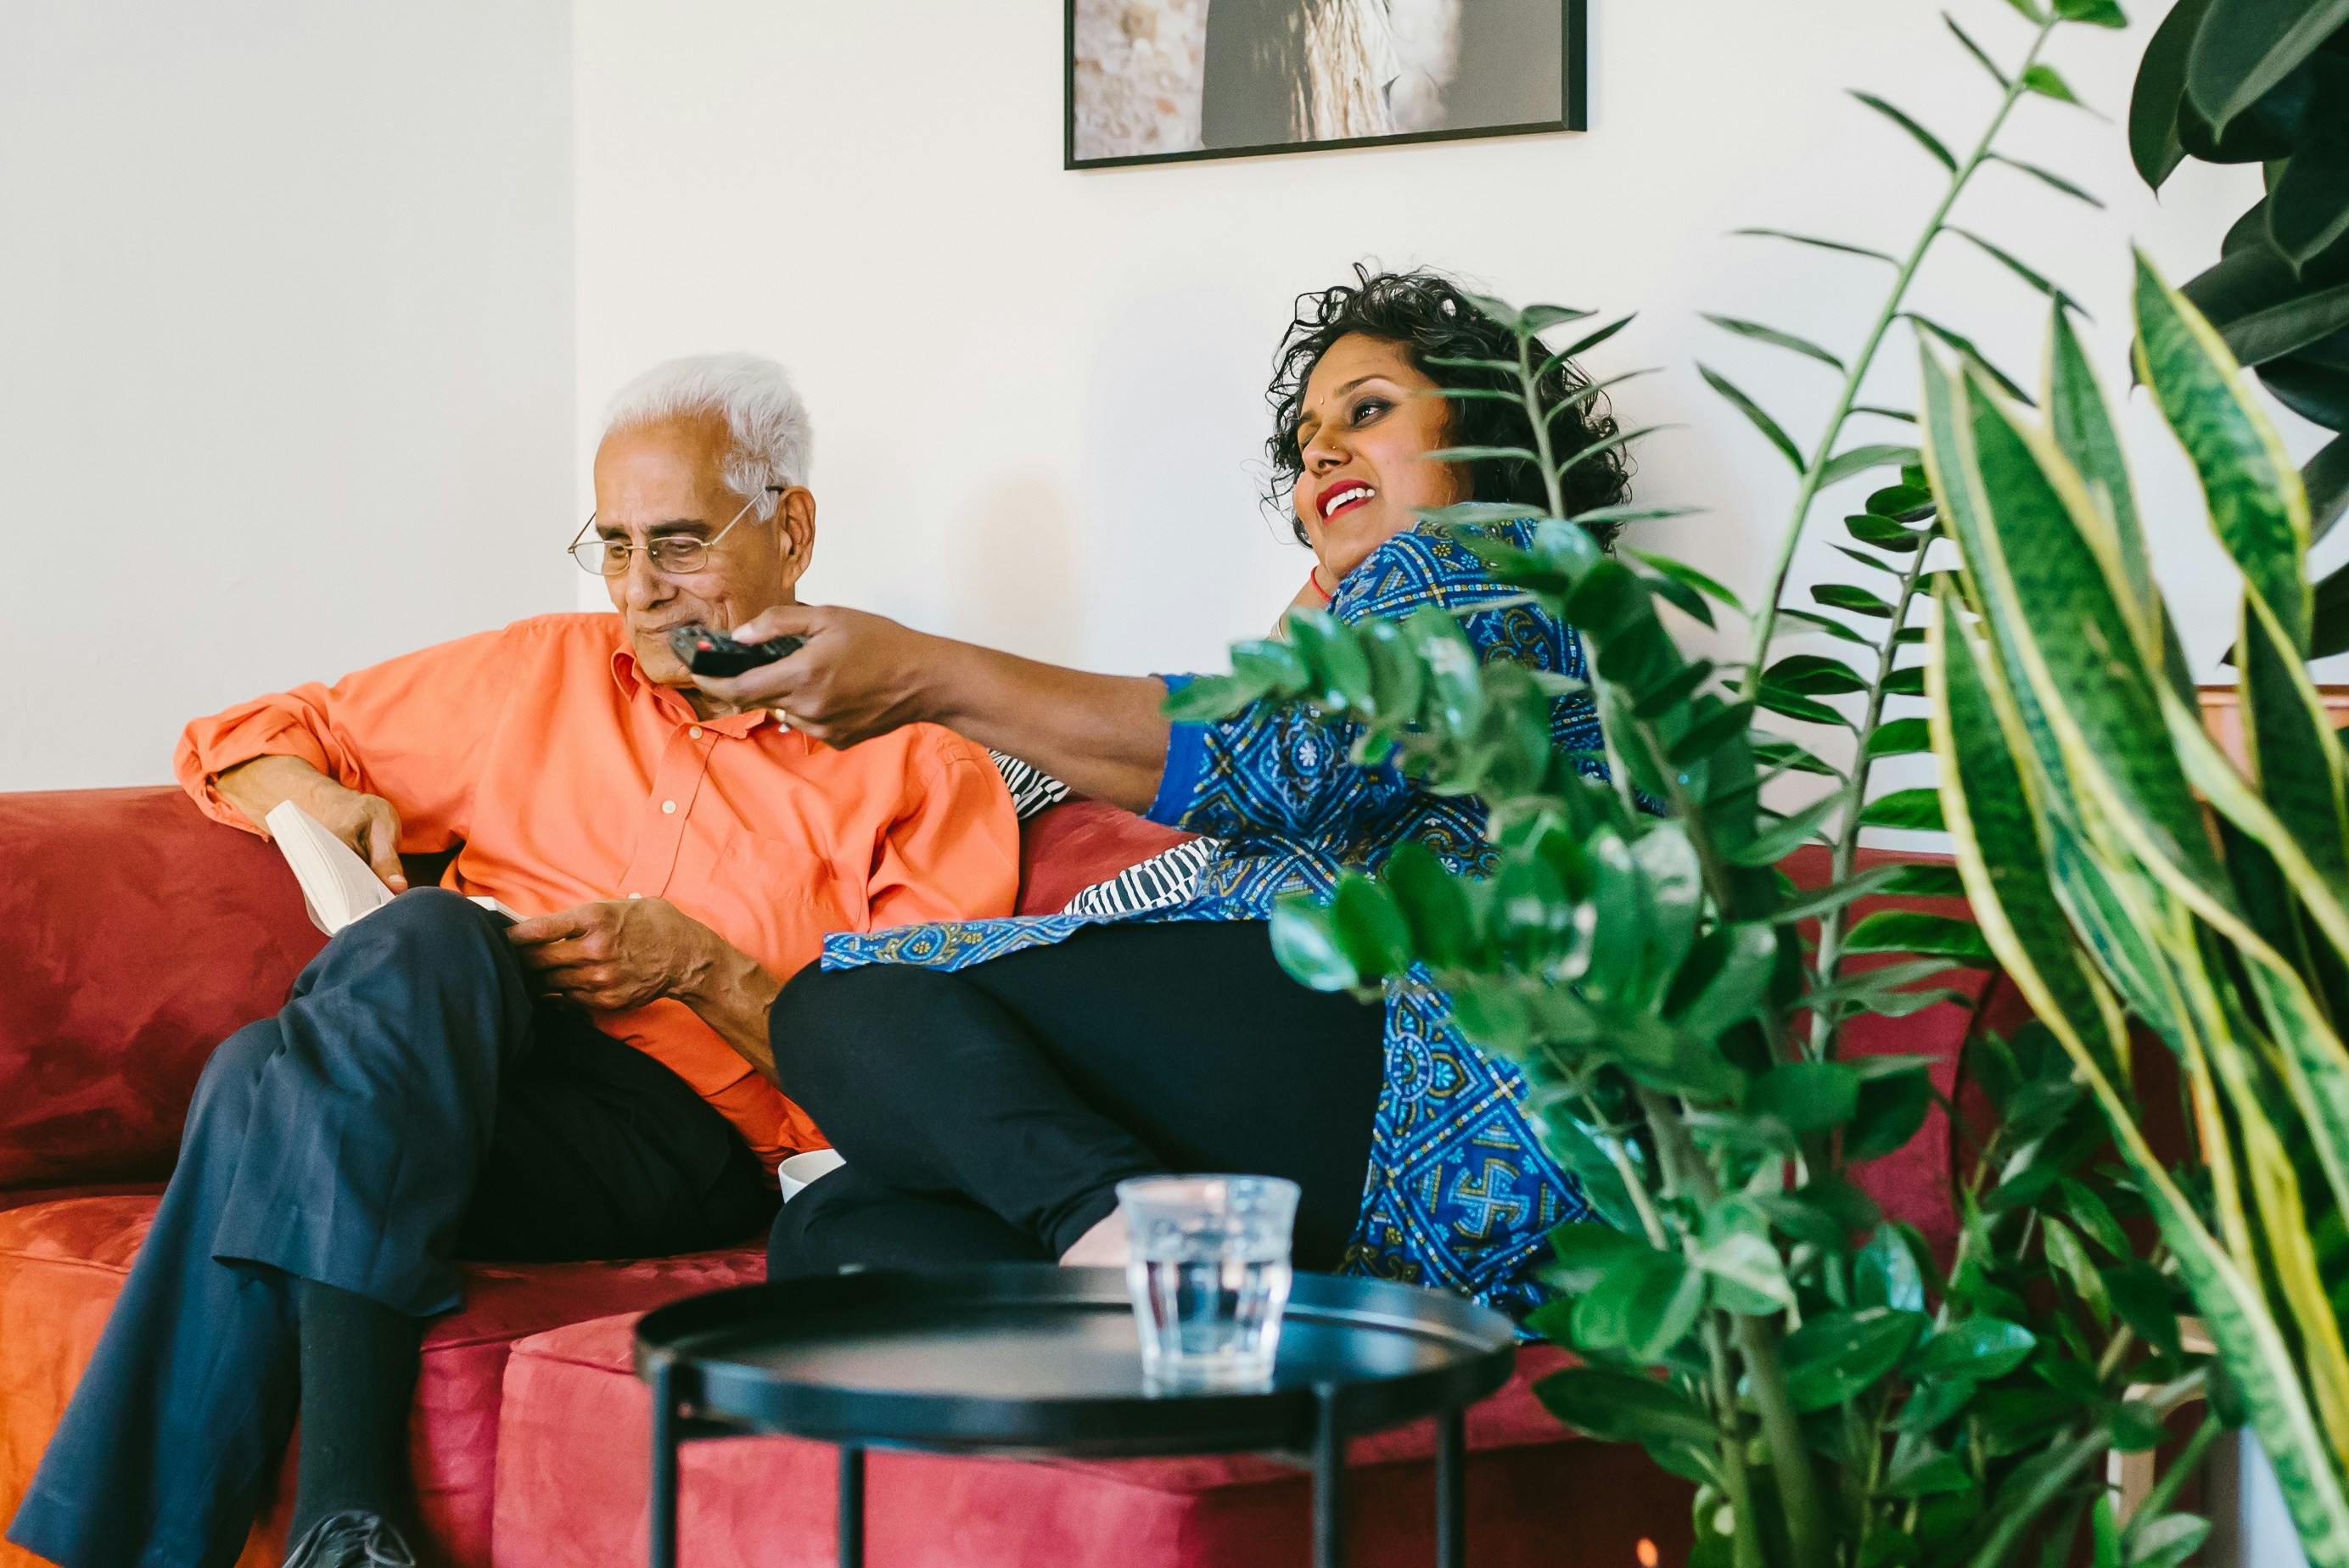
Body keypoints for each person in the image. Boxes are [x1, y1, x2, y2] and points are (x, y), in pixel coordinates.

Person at [5, 355, 1020, 1568]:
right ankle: (349, 1529)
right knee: (432, 937)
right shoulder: (541, 671)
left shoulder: (919, 763)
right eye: (617, 547)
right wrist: (316, 795)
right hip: (465, 1057)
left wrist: (695, 968)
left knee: (260, 1081)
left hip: (678, 1131)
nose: (643, 591)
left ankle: (299, 1507)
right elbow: (240, 736)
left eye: (682, 544)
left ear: (791, 529)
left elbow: (910, 1091)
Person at [698, 269, 1633, 1318]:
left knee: (842, 1000)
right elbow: (1270, 795)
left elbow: (1279, 758)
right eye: (1304, 441)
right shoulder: (1413, 620)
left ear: (1491, 445)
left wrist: (933, 677)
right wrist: (1312, 616)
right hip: (1380, 1186)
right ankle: (1208, 1295)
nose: (1318, 451)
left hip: (1440, 1068)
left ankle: (1135, 1243)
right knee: (841, 1231)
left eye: (1365, 411)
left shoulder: (1484, 558)